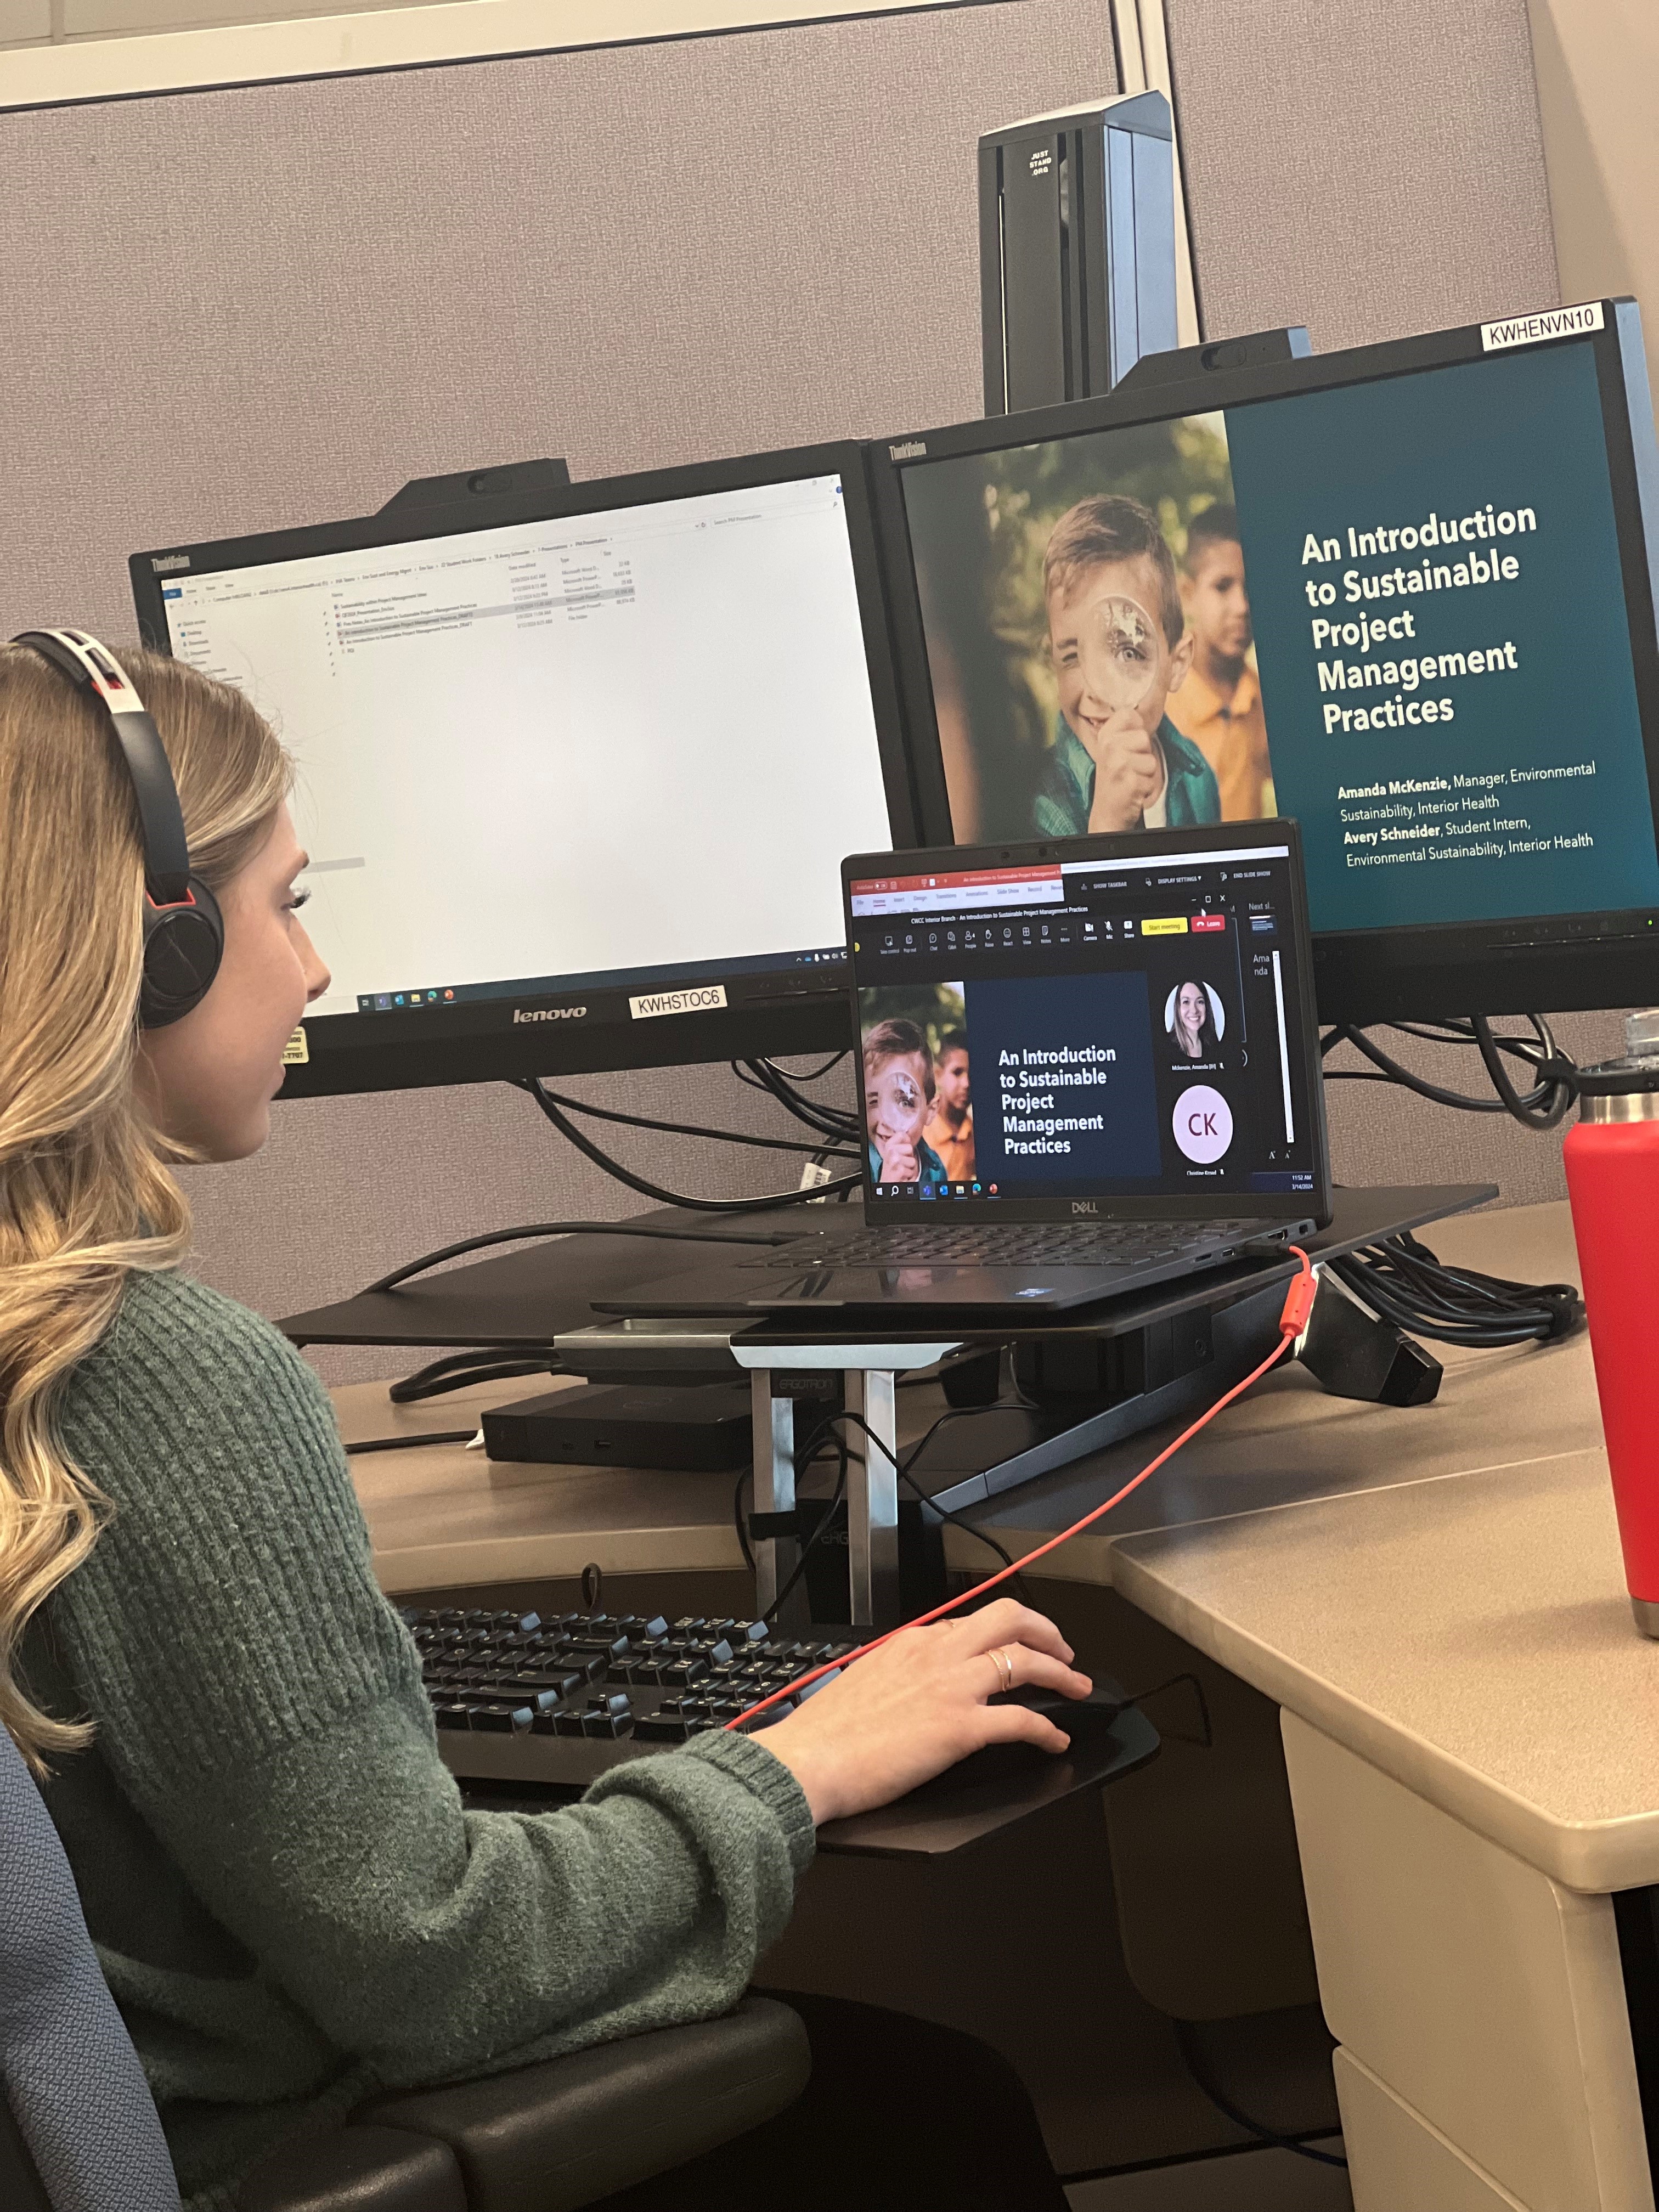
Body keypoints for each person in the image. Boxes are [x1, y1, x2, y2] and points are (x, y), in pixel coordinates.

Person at [0, 639, 1091, 2212]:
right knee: (935, 2117)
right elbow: (438, 1964)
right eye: (288, 904)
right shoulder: (161, 1379)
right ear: (151, 947)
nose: (314, 972)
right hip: (267, 2158)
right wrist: (798, 1762)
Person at [1034, 494, 1221, 837]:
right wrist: (1106, 826)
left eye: (1128, 652)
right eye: (1073, 656)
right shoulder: (1041, 809)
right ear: (1053, 660)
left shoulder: (1199, 778)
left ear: (1177, 664)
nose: (1096, 689)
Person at [1163, 502, 1274, 821]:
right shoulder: (1159, 704)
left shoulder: (1261, 699)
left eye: (1252, 588)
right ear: (1187, 593)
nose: (1242, 606)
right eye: (1223, 587)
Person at [863, 1016, 950, 1188]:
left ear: (931, 1110)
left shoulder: (936, 1169)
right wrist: (886, 1187)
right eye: (874, 1101)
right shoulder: (858, 1170)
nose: (887, 1120)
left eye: (905, 1102)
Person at [923, 1028, 975, 1183]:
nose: (966, 1083)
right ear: (938, 1075)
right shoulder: (920, 1131)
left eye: (972, 1074)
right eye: (957, 1072)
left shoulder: (973, 1134)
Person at [1170, 979, 1210, 1059]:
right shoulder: (1166, 1047)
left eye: (1200, 1002)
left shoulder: (1213, 1044)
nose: (1194, 1011)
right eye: (1186, 1002)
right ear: (1178, 1008)